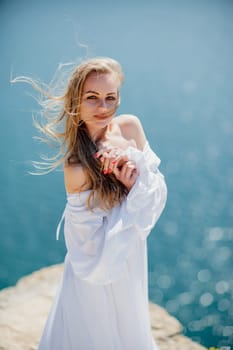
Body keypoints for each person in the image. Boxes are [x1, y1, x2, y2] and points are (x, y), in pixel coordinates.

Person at [31, 57, 167, 349]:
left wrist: (134, 185)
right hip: (97, 270)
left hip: (131, 255)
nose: (103, 107)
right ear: (75, 102)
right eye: (92, 98)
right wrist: (132, 197)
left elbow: (156, 195)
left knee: (131, 327)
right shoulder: (77, 167)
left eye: (110, 97)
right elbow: (86, 250)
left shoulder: (130, 128)